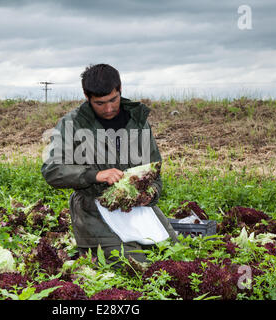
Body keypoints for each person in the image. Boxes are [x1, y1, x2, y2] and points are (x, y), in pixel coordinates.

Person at [41, 64, 177, 265]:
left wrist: (151, 193)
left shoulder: (137, 120)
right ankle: (91, 253)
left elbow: (153, 170)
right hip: (93, 208)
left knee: (173, 254)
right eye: (100, 103)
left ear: (120, 89)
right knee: (135, 264)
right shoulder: (72, 124)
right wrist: (94, 175)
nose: (109, 108)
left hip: (136, 208)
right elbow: (52, 170)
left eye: (113, 99)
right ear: (87, 97)